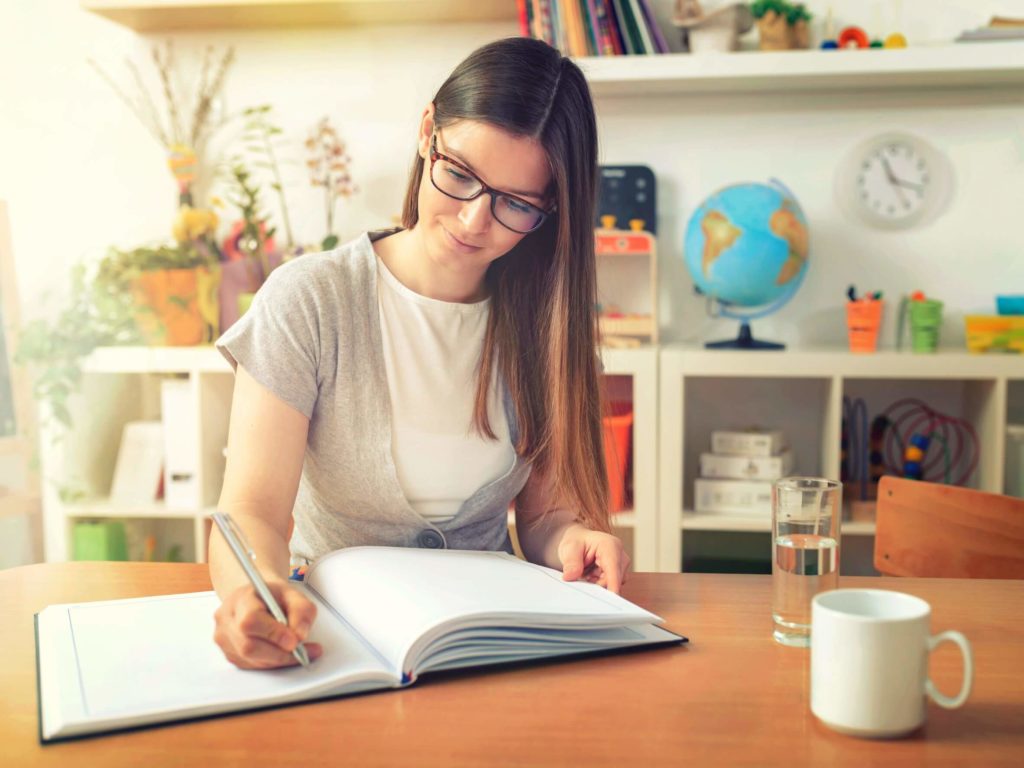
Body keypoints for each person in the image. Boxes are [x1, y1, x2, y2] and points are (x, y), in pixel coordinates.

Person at [210, 36, 629, 670]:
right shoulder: (310, 300)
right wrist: (255, 592)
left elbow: (545, 517)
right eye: (459, 176)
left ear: (551, 210)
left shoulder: (548, 325)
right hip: (335, 640)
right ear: (427, 131)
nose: (473, 221)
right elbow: (252, 511)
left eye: (517, 204)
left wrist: (575, 538)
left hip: (484, 644)